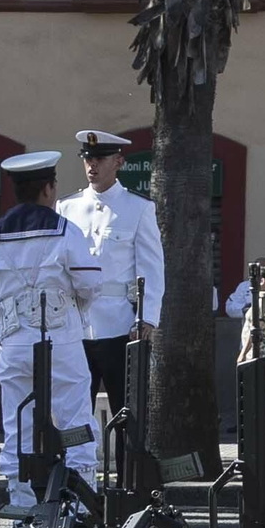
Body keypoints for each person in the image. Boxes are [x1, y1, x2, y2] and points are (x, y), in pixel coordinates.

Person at [0, 151, 101, 508]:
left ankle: (21, 503)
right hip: (61, 337)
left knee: (17, 420)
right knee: (74, 416)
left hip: (14, 340)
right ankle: (81, 501)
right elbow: (89, 284)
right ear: (49, 188)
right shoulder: (65, 230)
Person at [55, 130, 165, 417]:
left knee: (126, 411)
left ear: (118, 161)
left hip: (119, 324)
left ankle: (129, 464)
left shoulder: (138, 208)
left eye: (100, 159)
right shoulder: (67, 208)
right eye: (88, 158)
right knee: (74, 411)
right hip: (76, 324)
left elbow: (151, 269)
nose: (92, 165)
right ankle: (76, 463)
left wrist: (147, 317)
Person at [228, 256, 265, 364]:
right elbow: (229, 307)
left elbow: (256, 330)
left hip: (259, 353)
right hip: (251, 350)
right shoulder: (246, 289)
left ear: (263, 280)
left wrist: (242, 354)